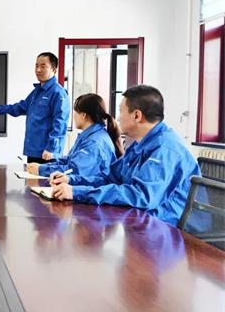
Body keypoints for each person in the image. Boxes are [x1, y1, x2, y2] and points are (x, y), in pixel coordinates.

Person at [51, 85, 200, 226]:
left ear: (137, 115)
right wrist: (72, 180)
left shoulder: (165, 149)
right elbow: (110, 177)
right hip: (142, 220)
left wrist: (78, 193)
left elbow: (140, 196)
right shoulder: (139, 144)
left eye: (121, 111)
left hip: (166, 228)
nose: (117, 117)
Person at [0, 52, 70, 163]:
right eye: (36, 66)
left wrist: (51, 148)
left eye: (43, 66)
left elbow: (60, 124)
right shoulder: (37, 92)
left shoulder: (58, 93)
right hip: (33, 151)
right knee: (31, 175)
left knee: (44, 176)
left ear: (54, 70)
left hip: (47, 153)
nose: (38, 70)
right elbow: (21, 107)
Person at [27, 93, 123, 178]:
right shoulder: (89, 135)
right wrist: (42, 166)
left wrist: (41, 170)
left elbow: (74, 171)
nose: (73, 116)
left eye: (75, 112)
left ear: (83, 115)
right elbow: (68, 160)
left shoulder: (94, 142)